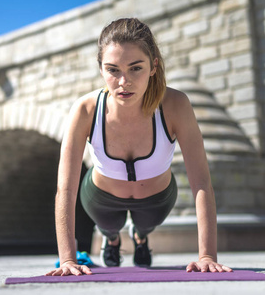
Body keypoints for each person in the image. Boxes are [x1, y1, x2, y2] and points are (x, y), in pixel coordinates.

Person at [45, 18, 232, 276]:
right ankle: (111, 239)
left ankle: (140, 238)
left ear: (153, 66)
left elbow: (201, 181)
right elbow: (65, 188)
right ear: (101, 69)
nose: (124, 82)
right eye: (113, 70)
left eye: (135, 68)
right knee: (110, 225)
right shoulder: (85, 110)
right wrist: (67, 259)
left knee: (146, 225)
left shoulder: (175, 105)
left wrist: (207, 255)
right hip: (100, 197)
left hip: (156, 199)